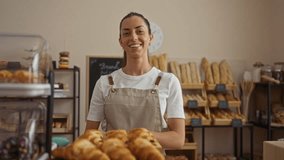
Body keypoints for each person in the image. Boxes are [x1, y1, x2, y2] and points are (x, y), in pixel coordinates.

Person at [86, 12, 185, 149]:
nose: (133, 37)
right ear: (121, 41)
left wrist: (140, 135)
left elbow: (178, 139)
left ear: (150, 37)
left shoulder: (168, 81)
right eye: (126, 33)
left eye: (139, 31)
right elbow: (90, 134)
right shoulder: (104, 83)